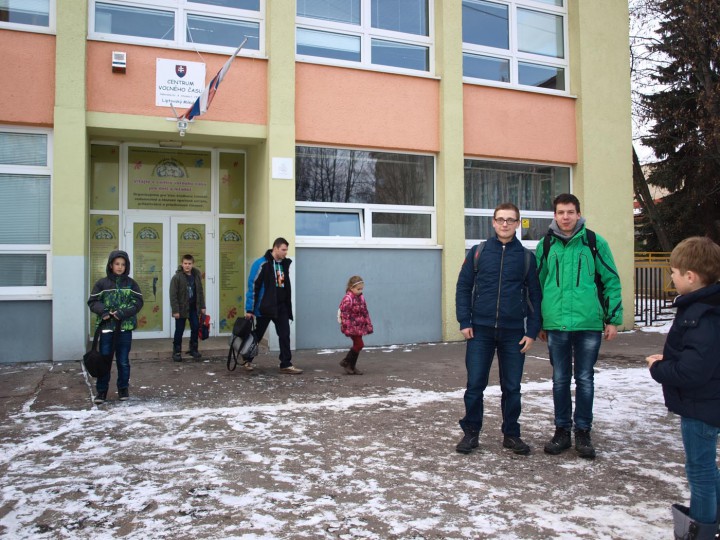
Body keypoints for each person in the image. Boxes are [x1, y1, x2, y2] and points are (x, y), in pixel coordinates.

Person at [535, 193, 623, 459]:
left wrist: (613, 319)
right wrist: (538, 321)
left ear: (578, 214)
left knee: (585, 378)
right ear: (555, 215)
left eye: (570, 212)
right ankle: (562, 431)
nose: (566, 217)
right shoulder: (545, 244)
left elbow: (611, 280)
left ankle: (583, 432)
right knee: (560, 379)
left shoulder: (594, 243)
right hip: (556, 324)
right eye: (561, 212)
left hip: (588, 323)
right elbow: (537, 285)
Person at [646, 236, 720, 539]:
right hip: (708, 400)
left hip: (700, 405)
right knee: (708, 468)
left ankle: (701, 530)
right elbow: (702, 356)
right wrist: (672, 359)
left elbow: (693, 372)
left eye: (674, 273)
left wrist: (658, 368)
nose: (671, 278)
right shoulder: (707, 307)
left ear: (690, 276)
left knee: (699, 471)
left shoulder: (700, 315)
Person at [455, 203, 542, 455]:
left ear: (517, 224)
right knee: (475, 385)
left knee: (512, 388)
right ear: (493, 222)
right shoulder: (478, 252)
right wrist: (464, 321)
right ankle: (471, 433)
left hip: (513, 333)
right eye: (501, 219)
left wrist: (532, 331)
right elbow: (463, 288)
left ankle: (511, 435)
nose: (505, 224)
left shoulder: (526, 257)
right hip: (479, 331)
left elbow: (535, 296)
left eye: (510, 220)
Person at [87, 250, 143, 404]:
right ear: (111, 265)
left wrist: (123, 313)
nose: (120, 267)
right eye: (117, 264)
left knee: (123, 360)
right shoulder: (102, 284)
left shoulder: (131, 284)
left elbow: (138, 302)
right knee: (105, 360)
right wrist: (104, 312)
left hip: (124, 329)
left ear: (127, 266)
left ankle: (123, 388)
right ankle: (102, 391)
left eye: (123, 264)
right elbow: (92, 302)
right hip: (107, 329)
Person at [244, 238, 303, 374]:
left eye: (286, 250)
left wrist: (287, 305)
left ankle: (286, 364)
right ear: (275, 248)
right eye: (283, 250)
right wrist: (250, 309)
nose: (286, 252)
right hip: (265, 307)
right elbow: (253, 287)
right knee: (257, 335)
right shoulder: (261, 263)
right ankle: (247, 359)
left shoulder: (284, 264)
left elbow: (282, 286)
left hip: (281, 307)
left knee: (285, 334)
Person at [169, 254, 206, 361]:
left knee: (195, 327)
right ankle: (176, 351)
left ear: (192, 264)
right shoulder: (177, 277)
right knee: (179, 330)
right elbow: (173, 295)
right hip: (181, 309)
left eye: (189, 263)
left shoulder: (196, 276)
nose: (187, 266)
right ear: (182, 264)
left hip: (194, 307)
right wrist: (175, 310)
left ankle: (193, 349)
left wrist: (202, 306)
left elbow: (200, 292)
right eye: (185, 263)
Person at [338, 275, 374, 375]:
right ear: (351, 288)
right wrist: (347, 328)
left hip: (359, 326)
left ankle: (351, 366)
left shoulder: (361, 297)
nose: (360, 291)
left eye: (361, 289)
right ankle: (346, 362)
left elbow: (365, 312)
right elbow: (344, 315)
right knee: (359, 344)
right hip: (352, 327)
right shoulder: (348, 299)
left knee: (357, 345)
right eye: (358, 289)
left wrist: (368, 324)